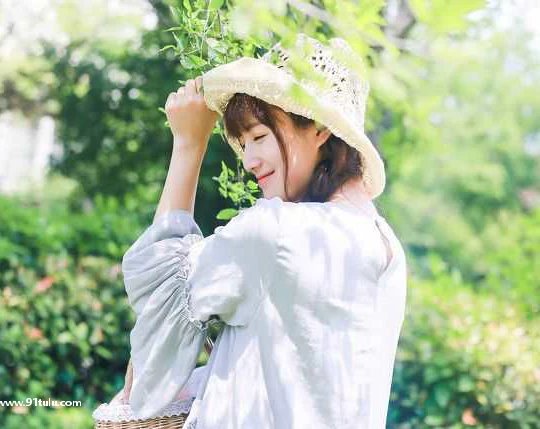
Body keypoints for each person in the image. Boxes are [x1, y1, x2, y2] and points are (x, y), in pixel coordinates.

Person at [121, 33, 407, 429]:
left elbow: (156, 296)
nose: (249, 161)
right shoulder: (385, 244)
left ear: (320, 128)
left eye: (259, 136)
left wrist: (188, 144)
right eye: (243, 143)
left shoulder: (276, 233)